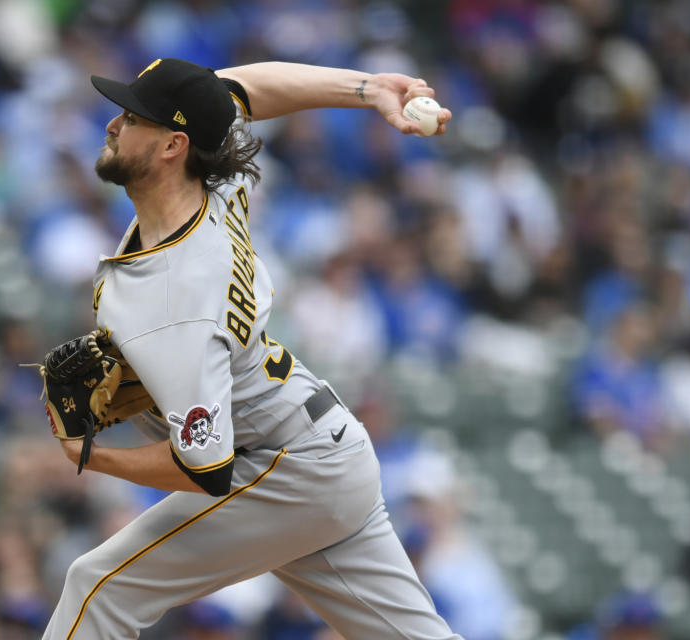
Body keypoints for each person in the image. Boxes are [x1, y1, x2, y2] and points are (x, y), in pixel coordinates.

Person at [40, 58, 458, 639]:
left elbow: (206, 468)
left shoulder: (173, 298)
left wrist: (88, 455)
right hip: (325, 450)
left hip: (285, 470)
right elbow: (240, 88)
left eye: (132, 117)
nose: (113, 125)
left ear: (171, 146)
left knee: (99, 588)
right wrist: (368, 89)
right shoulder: (213, 176)